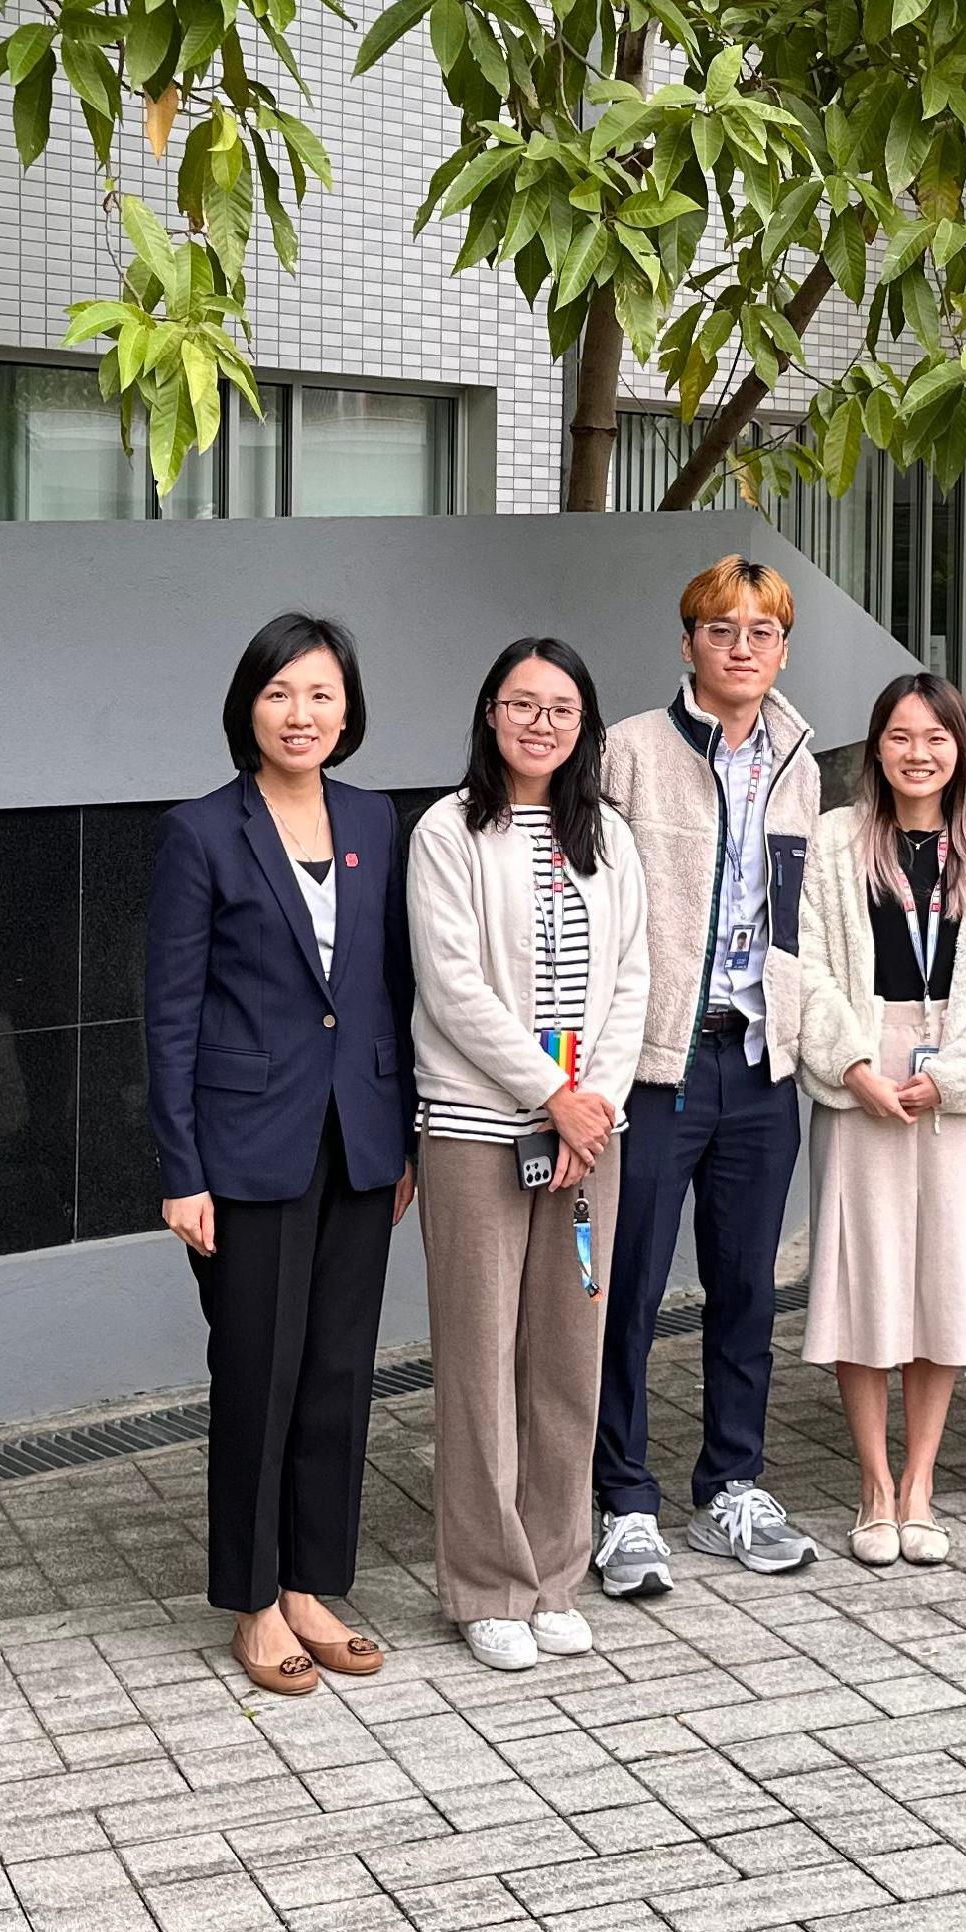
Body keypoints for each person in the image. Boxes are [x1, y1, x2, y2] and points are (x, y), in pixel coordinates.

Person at [146, 615, 413, 1698]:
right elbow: (167, 1013)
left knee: (339, 1375)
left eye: (320, 694)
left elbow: (391, 989)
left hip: (359, 1142)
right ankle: (254, 1601)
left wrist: (400, 1142)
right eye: (279, 694)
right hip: (245, 1151)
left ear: (347, 710)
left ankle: (312, 1582)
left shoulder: (376, 819)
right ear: (246, 707)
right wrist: (179, 1170)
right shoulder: (200, 832)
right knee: (258, 1372)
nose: (300, 714)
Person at [408, 638, 652, 1674]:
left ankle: (553, 1573)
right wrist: (549, 1096)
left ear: (584, 725)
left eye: (560, 709)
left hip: (591, 1138)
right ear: (489, 713)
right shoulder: (447, 831)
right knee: (477, 1362)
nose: (540, 724)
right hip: (476, 1130)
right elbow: (451, 985)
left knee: (565, 1356)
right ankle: (486, 1585)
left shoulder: (610, 839)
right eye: (520, 704)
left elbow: (636, 974)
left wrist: (590, 1105)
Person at [594, 555, 824, 1591]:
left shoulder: (798, 756)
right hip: (655, 1062)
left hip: (756, 1058)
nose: (742, 647)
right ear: (686, 639)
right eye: (721, 628)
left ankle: (731, 1484)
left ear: (782, 647)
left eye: (762, 631)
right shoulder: (631, 751)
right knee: (627, 1290)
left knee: (744, 1288)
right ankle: (619, 1499)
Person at [796, 674, 966, 1566]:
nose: (917, 752)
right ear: (876, 745)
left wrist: (956, 1074)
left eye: (935, 736)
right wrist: (853, 1066)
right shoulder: (836, 840)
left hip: (950, 1084)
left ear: (961, 747)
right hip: (864, 1066)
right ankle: (872, 1486)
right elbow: (808, 964)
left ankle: (921, 1481)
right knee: (866, 1277)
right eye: (899, 735)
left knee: (942, 1282)